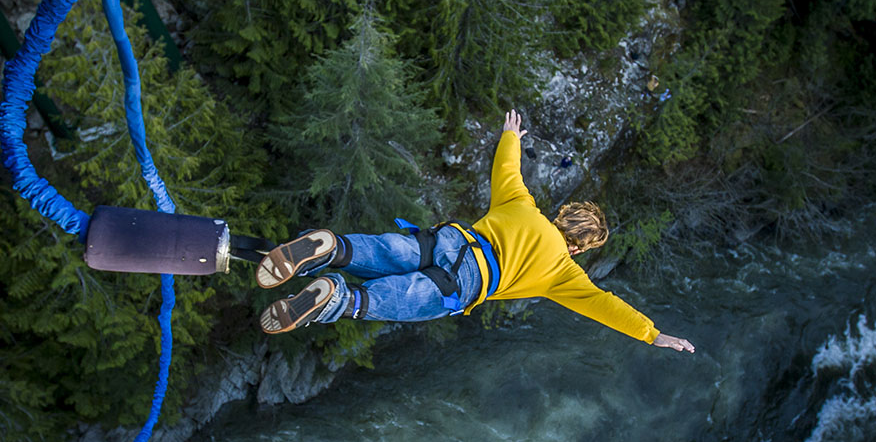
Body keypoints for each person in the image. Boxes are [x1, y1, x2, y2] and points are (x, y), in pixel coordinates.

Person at [256, 109, 694, 353]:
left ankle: (333, 247)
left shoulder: (521, 204)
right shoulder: (563, 273)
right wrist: (653, 334)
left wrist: (511, 135)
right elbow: (604, 306)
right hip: (466, 283)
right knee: (386, 300)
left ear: (561, 215)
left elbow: (507, 168)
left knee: (389, 250)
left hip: (450, 240)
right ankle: (336, 297)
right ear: (578, 247)